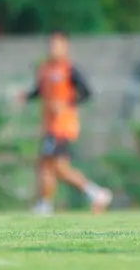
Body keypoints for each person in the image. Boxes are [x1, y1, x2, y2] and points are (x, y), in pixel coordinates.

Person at [20, 30, 113, 215]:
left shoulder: (70, 70)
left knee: (47, 165)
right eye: (51, 44)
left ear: (65, 46)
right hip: (49, 125)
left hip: (62, 126)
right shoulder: (45, 69)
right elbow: (40, 91)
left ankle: (45, 205)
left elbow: (87, 93)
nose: (53, 48)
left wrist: (66, 105)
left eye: (58, 44)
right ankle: (95, 193)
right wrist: (25, 96)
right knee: (57, 168)